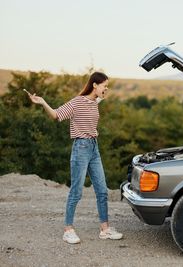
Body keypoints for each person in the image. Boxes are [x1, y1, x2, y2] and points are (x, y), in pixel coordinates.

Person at [27, 72, 123, 244]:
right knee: (76, 191)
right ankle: (68, 229)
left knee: (102, 190)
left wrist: (100, 96)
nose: (106, 89)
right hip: (81, 148)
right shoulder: (77, 101)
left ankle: (105, 229)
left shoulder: (95, 102)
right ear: (94, 85)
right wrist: (42, 102)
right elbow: (57, 115)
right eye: (104, 85)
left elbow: (96, 100)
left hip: (94, 148)